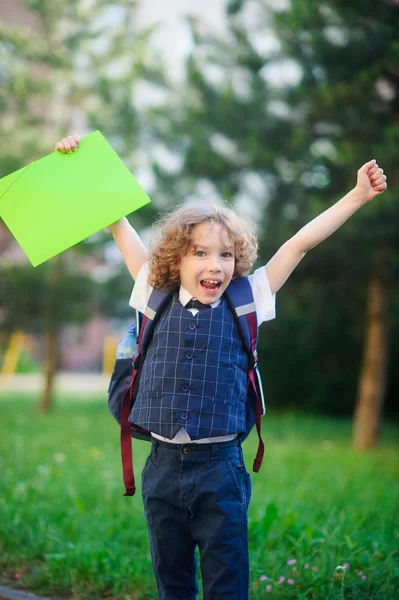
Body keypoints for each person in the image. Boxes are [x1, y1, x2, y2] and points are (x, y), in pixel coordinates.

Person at [55, 135, 387, 599]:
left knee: (226, 583)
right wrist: (80, 159)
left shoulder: (249, 297)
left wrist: (356, 196)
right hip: (162, 469)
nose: (216, 265)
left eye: (226, 255)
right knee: (172, 583)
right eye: (201, 253)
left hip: (221, 469)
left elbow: (299, 245)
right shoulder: (152, 290)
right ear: (176, 258)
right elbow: (117, 222)